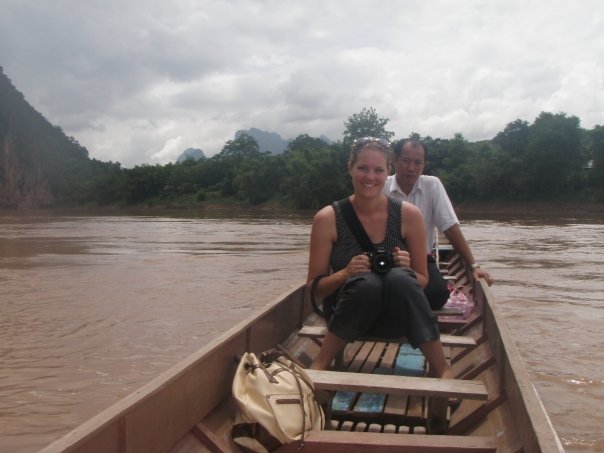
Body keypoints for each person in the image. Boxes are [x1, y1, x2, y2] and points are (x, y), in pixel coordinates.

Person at [307, 136, 453, 380]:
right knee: (367, 282)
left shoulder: (409, 215)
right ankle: (320, 362)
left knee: (400, 278)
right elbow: (314, 289)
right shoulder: (327, 218)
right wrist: (345, 273)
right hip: (349, 316)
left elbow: (423, 280)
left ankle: (442, 369)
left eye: (378, 170)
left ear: (388, 173)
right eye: (362, 168)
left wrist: (407, 268)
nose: (370, 177)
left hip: (398, 317)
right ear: (350, 168)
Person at [384, 138, 494, 310]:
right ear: (394, 160)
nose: (411, 168)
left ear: (424, 164)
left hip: (420, 259)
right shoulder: (382, 185)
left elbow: (450, 227)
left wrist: (474, 265)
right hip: (386, 257)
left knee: (437, 294)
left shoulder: (432, 185)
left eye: (417, 162)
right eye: (405, 161)